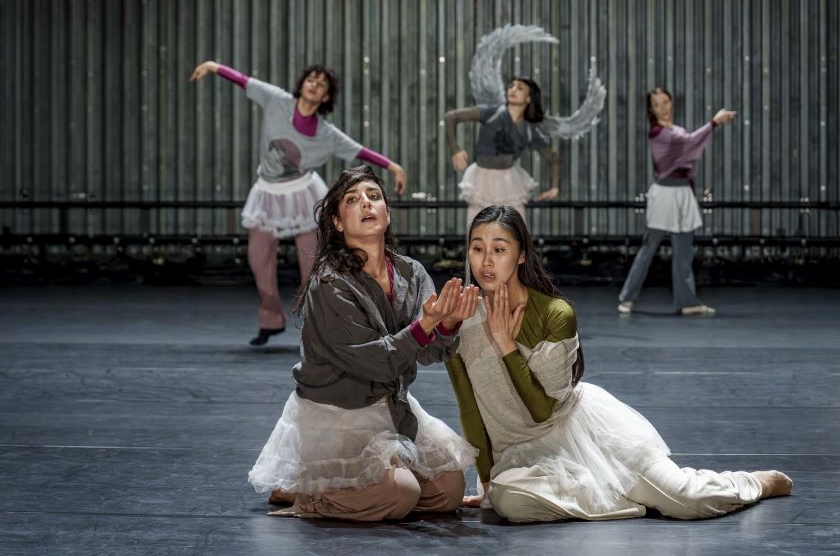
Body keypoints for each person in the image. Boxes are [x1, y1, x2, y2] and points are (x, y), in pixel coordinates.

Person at [445, 205, 792, 522]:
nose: (486, 261)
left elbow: (542, 411)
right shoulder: (461, 320)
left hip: (585, 435)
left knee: (687, 501)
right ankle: (628, 501)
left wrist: (506, 344)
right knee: (508, 502)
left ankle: (754, 483)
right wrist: (488, 482)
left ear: (521, 255)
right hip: (524, 458)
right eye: (477, 248)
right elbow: (470, 410)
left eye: (499, 249)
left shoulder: (555, 313)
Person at [248, 165, 479, 521]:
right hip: (341, 412)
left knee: (449, 490)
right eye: (353, 200)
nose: (367, 204)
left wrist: (446, 324)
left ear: (388, 212)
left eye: (374, 197)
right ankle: (312, 494)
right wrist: (426, 324)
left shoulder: (411, 272)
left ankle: (360, 489)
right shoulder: (330, 283)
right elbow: (374, 361)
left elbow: (431, 350)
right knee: (400, 494)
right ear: (338, 222)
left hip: (392, 406)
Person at [190, 61, 408, 344]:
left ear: (326, 97)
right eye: (311, 79)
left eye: (321, 84)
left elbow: (359, 150)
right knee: (258, 258)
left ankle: (316, 322)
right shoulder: (277, 100)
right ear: (302, 84)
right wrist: (213, 66)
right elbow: (244, 80)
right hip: (267, 193)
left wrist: (393, 167)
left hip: (303, 194)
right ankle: (271, 318)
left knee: (312, 262)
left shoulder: (326, 134)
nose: (314, 84)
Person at [618, 87, 736, 316]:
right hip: (664, 193)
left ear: (671, 103)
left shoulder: (678, 130)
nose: (663, 108)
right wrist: (714, 122)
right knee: (649, 248)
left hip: (683, 193)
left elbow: (690, 164)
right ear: (651, 109)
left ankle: (687, 301)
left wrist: (691, 196)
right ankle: (627, 297)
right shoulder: (657, 134)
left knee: (683, 250)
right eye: (657, 104)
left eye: (666, 102)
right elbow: (690, 143)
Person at [444, 77, 559, 225]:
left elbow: (552, 157)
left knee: (513, 234)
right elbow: (451, 117)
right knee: (478, 234)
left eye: (520, 88)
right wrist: (455, 150)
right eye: (511, 86)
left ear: (529, 98)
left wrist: (554, 187)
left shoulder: (530, 128)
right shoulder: (491, 112)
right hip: (480, 180)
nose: (513, 90)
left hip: (509, 183)